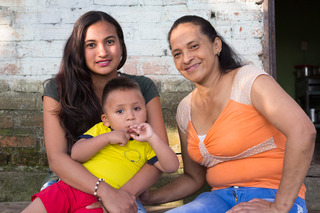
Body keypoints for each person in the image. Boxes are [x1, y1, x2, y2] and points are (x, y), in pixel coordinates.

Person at [140, 15, 316, 213]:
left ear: (216, 45)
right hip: (216, 200)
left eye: (194, 46)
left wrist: (278, 207)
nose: (186, 58)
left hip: (272, 195)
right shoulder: (185, 109)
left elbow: (303, 131)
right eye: (177, 53)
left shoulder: (247, 81)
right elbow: (193, 178)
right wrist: (150, 196)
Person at [28, 11, 170, 213]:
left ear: (121, 44)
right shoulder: (58, 89)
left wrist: (120, 195)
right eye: (91, 45)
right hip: (68, 183)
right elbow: (57, 158)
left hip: (124, 187)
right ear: (79, 50)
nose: (102, 52)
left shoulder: (142, 87)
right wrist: (104, 191)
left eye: (110, 41)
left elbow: (159, 158)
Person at [22, 77, 179, 213]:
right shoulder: (101, 130)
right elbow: (77, 153)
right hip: (69, 188)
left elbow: (171, 167)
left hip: (101, 202)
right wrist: (106, 138)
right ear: (106, 119)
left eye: (136, 108)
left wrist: (153, 138)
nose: (130, 117)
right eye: (120, 111)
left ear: (146, 112)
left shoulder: (147, 144)